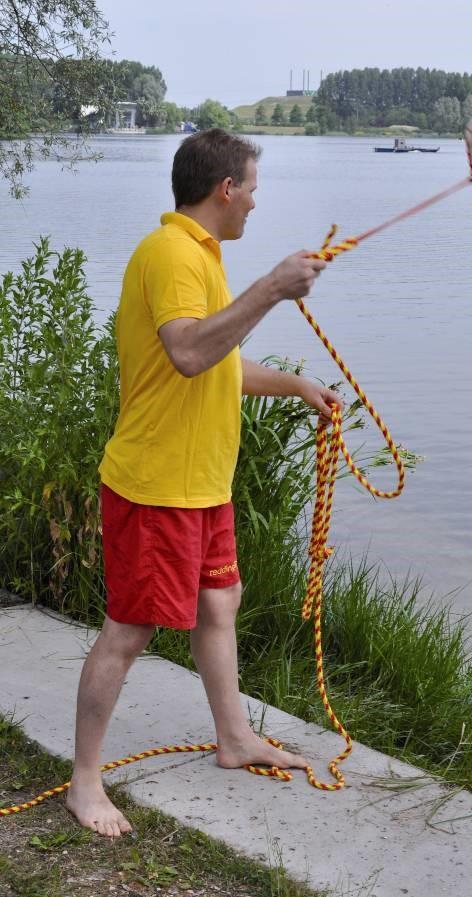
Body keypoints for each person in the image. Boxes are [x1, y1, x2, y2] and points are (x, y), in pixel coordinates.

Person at [66, 128, 340, 839]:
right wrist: (273, 288)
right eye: (251, 186)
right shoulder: (171, 254)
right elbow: (189, 353)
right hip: (156, 482)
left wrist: (296, 385)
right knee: (130, 629)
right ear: (225, 189)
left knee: (220, 603)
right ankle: (84, 781)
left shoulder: (203, 257)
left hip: (201, 484)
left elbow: (220, 361)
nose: (255, 200)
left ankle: (234, 737)